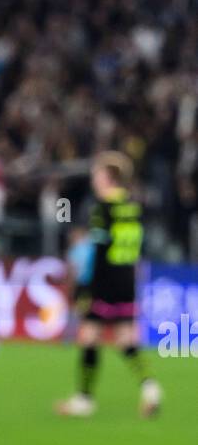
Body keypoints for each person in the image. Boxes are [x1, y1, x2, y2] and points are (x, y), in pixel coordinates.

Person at [56, 152, 162, 418]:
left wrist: (85, 287)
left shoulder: (102, 208)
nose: (94, 179)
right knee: (126, 338)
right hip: (126, 279)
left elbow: (98, 252)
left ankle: (84, 399)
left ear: (109, 177)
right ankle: (150, 387)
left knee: (89, 336)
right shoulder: (133, 206)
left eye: (98, 174)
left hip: (104, 282)